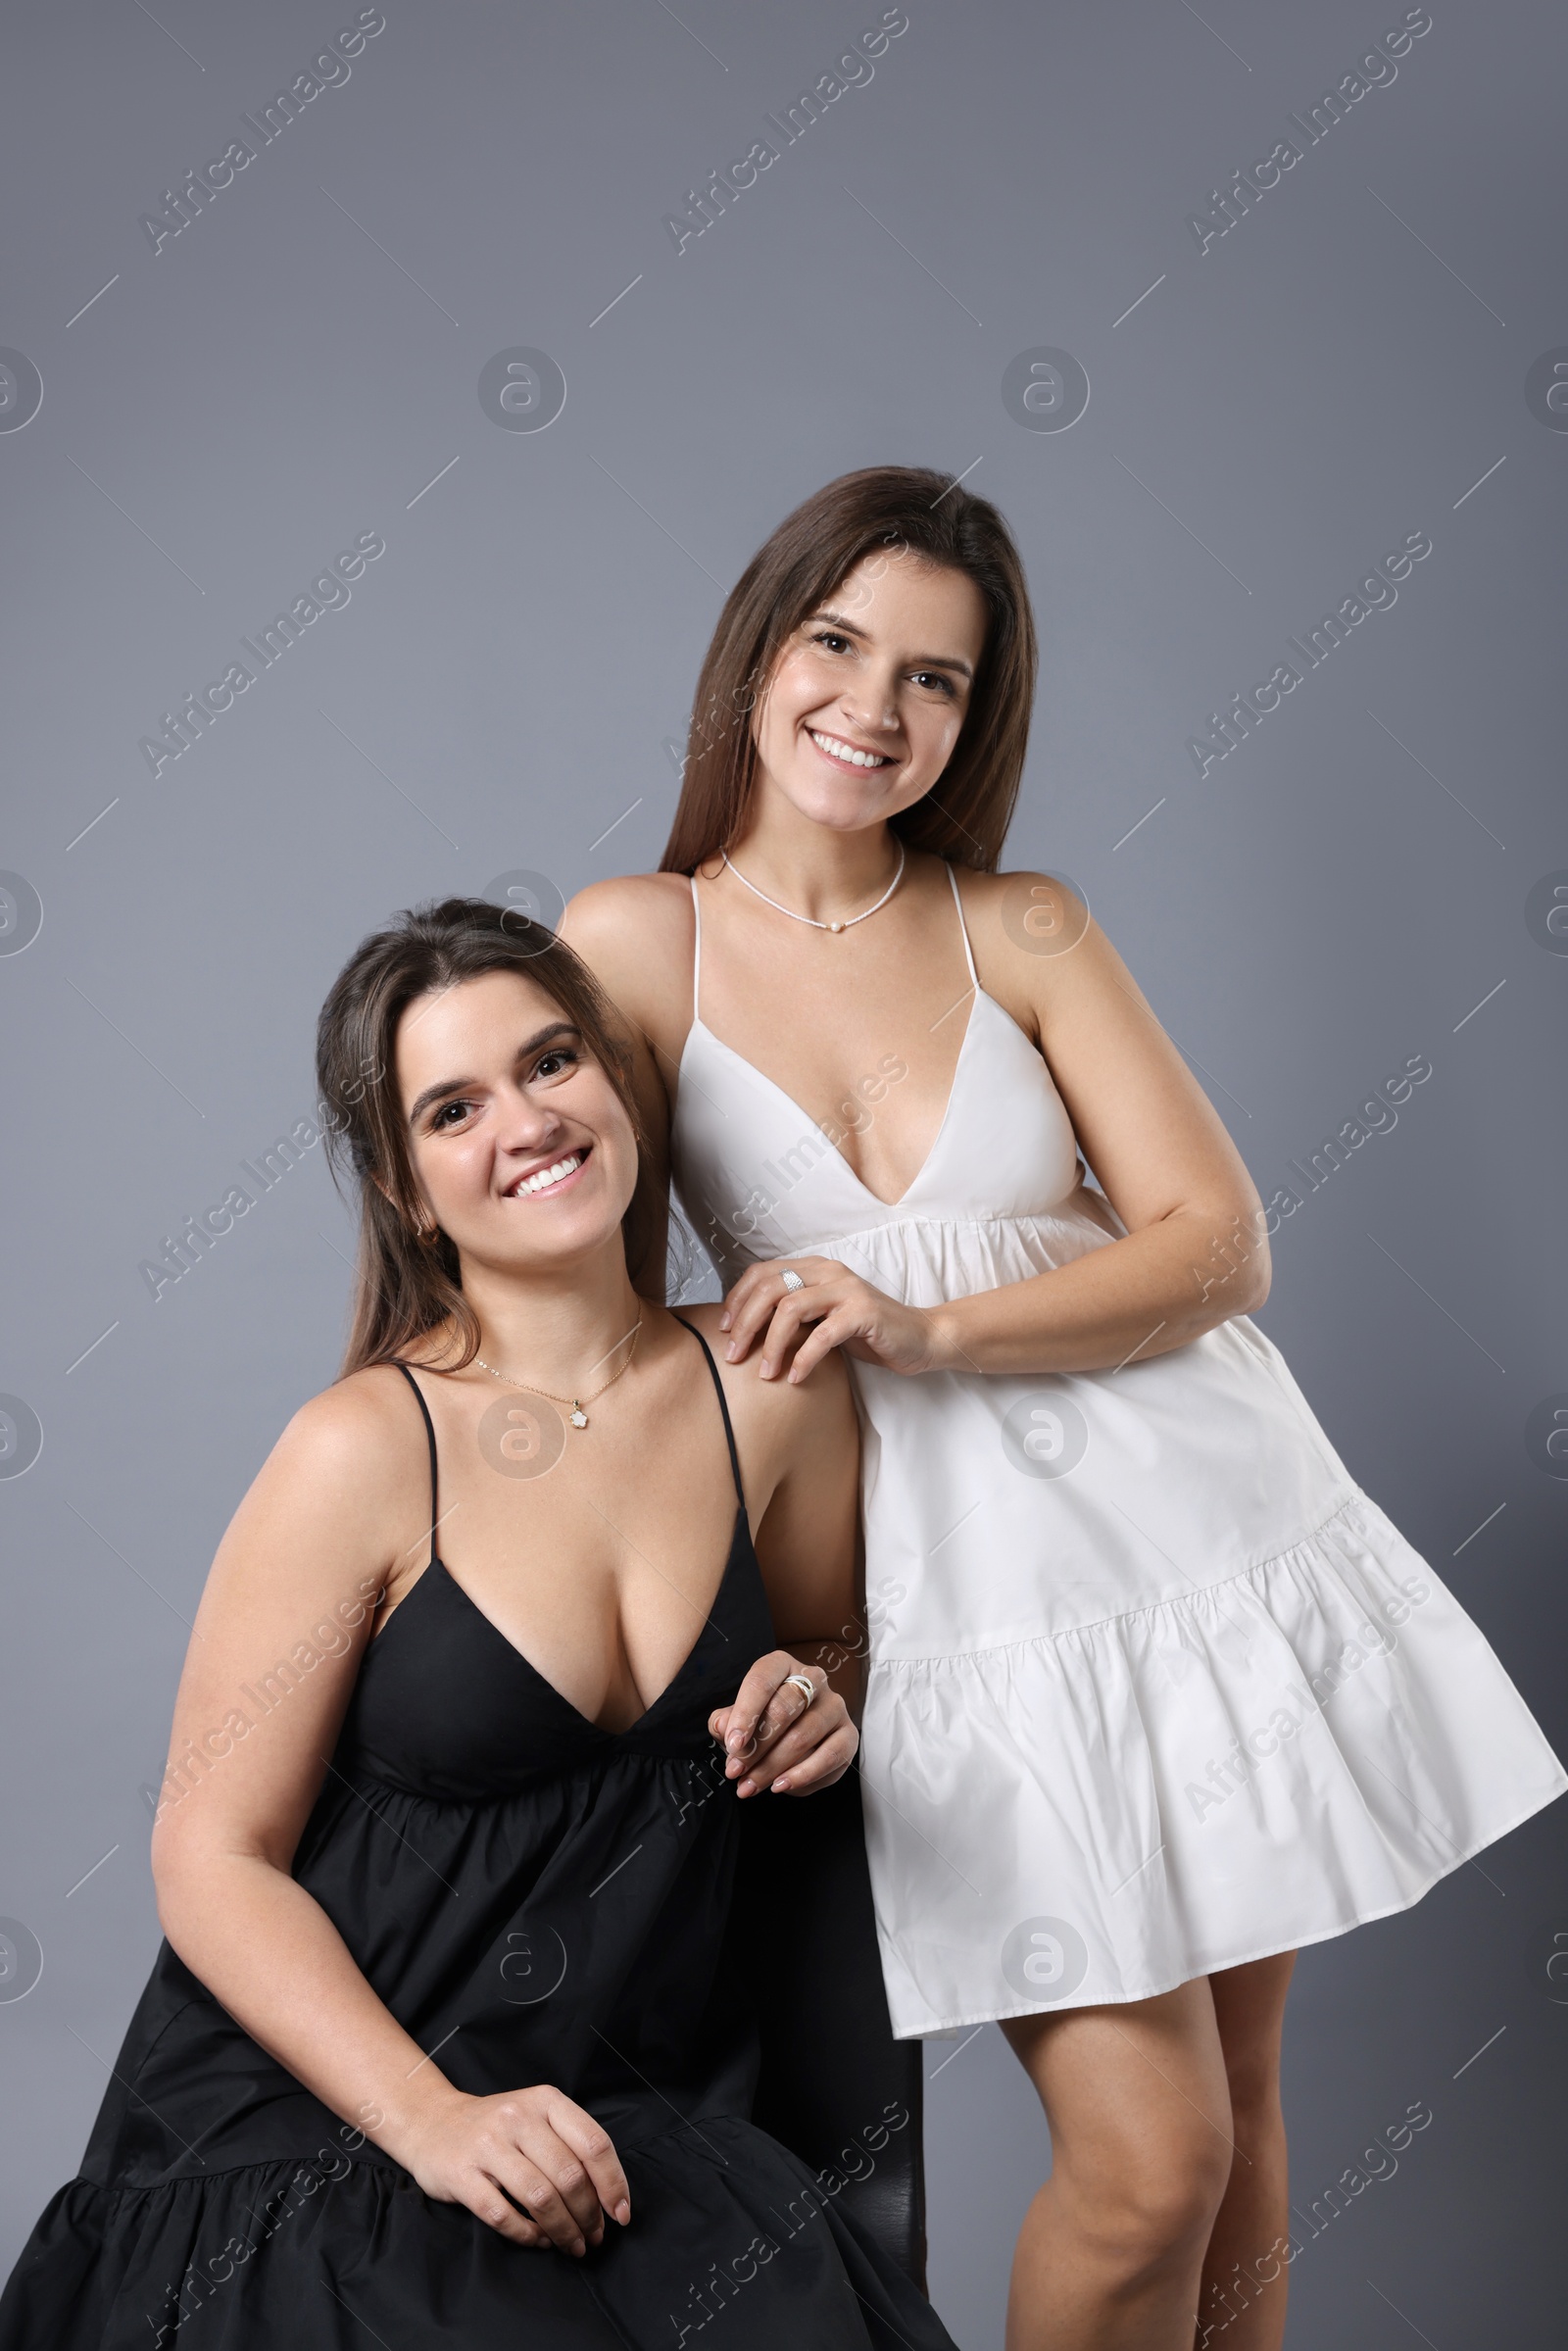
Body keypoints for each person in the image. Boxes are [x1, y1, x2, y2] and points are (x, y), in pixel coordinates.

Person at [560, 465, 1568, 2351]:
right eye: (839, 643)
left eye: (936, 679)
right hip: (942, 1598)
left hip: (1205, 1524)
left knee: (1247, 2111)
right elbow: (580, 1302)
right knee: (1148, 2157)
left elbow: (1218, 1245)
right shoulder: (635, 940)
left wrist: (924, 1332)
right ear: (758, 653)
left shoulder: (1019, 923)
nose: (876, 706)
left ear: (975, 720)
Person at [0, 900, 956, 2351]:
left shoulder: (775, 1385)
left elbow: (831, 1647)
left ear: (621, 1083)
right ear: (406, 1183)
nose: (527, 1122)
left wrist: (815, 1697)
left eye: (552, 1060)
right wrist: (435, 2125)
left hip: (639, 2119)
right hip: (329, 2128)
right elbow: (211, 1857)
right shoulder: (361, 1449)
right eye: (456, 1106)